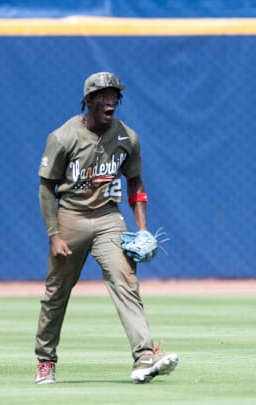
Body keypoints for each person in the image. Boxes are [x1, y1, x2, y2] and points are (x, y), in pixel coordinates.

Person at [33, 71, 178, 384]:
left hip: (109, 218)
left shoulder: (127, 137)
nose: (110, 100)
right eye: (103, 95)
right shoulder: (63, 137)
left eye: (114, 95)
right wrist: (54, 235)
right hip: (71, 216)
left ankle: (144, 357)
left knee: (126, 283)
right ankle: (46, 360)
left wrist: (141, 230)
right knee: (56, 292)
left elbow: (135, 182)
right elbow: (46, 188)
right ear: (88, 101)